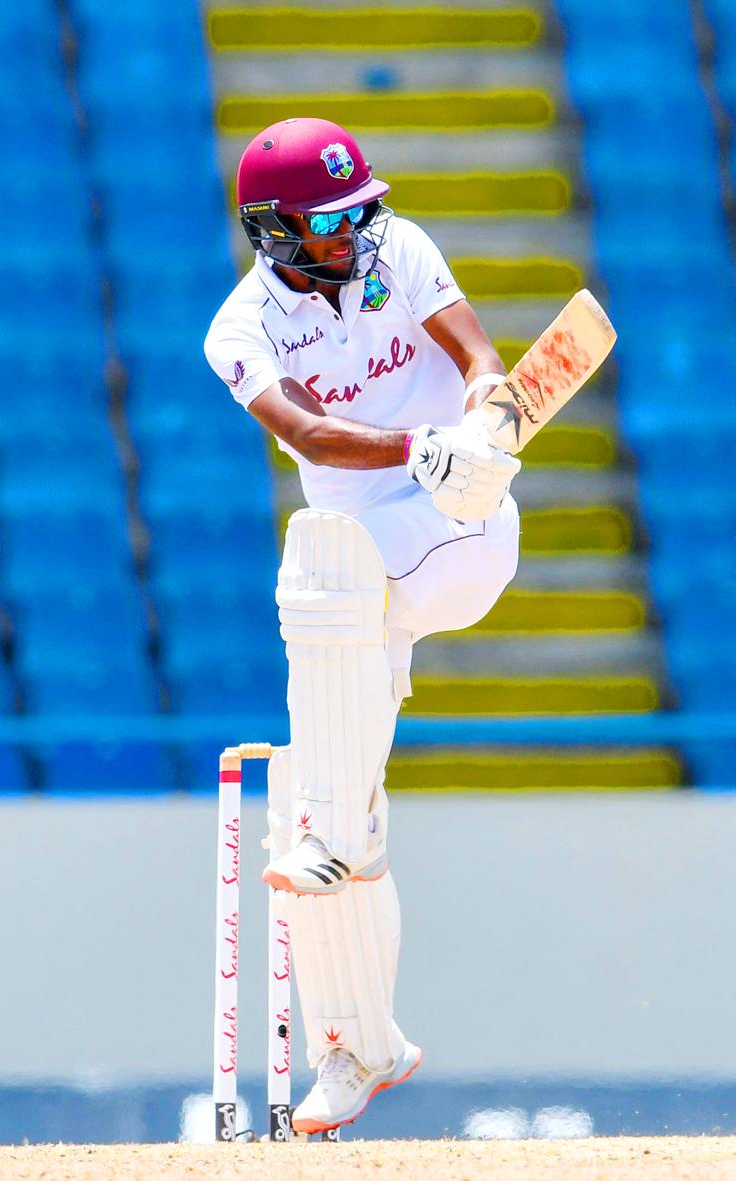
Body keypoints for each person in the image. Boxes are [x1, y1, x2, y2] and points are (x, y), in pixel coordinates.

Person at [205, 116, 521, 1135]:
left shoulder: (402, 251)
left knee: (320, 559)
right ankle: (360, 1041)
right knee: (311, 795)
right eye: (332, 222)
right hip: (358, 584)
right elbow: (306, 431)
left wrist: (485, 411)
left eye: (358, 213)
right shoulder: (239, 331)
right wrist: (419, 444)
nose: (356, 233)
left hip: (459, 528)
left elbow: (477, 356)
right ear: (276, 232)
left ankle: (335, 827)